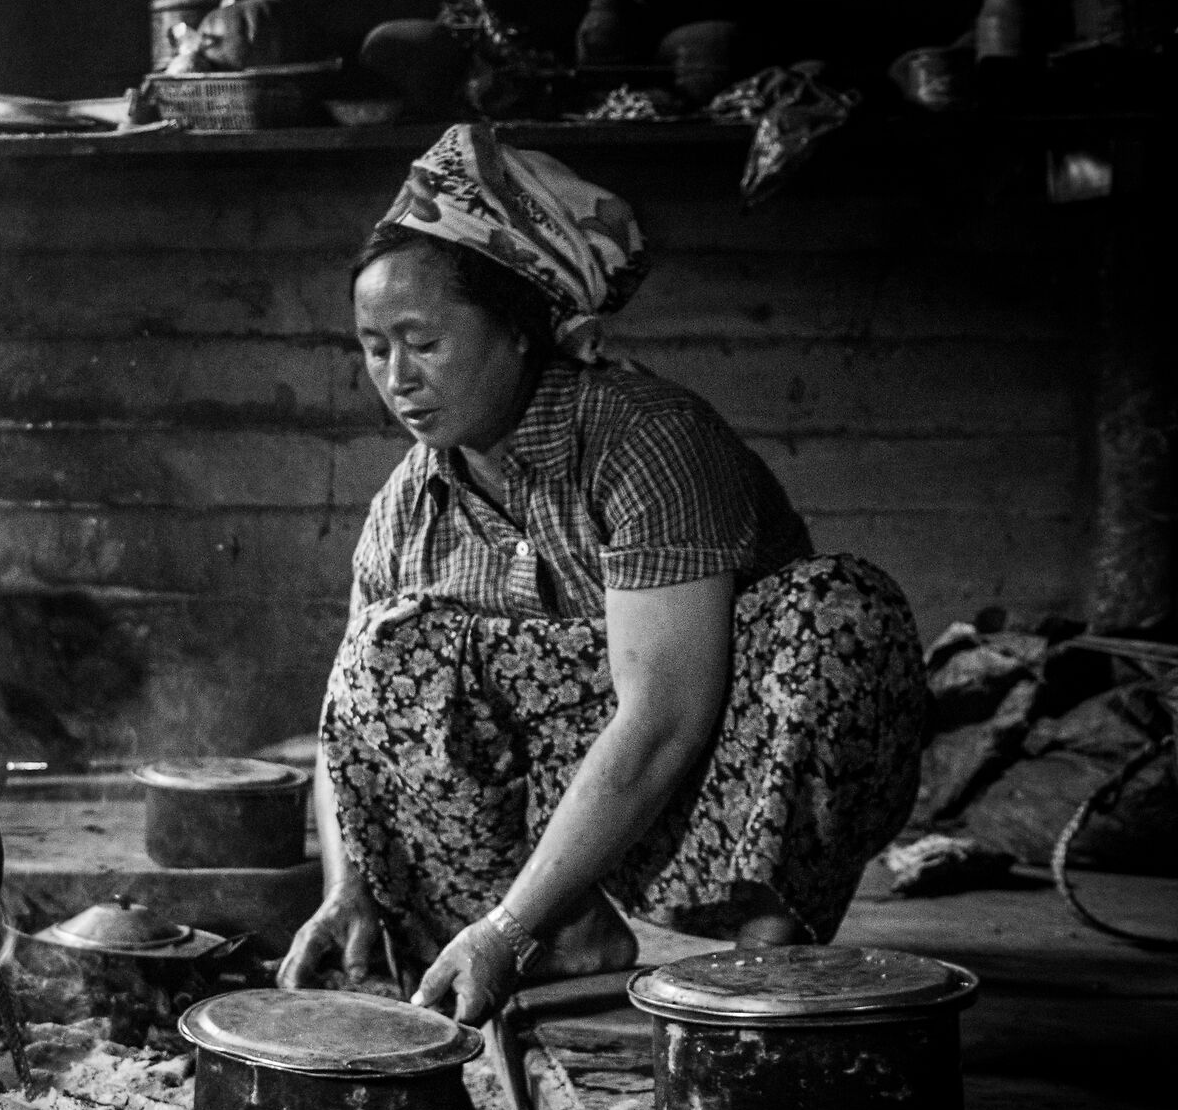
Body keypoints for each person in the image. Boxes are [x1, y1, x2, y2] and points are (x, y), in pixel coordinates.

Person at [278, 124, 925, 1026]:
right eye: (373, 346)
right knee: (385, 653)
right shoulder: (409, 502)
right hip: (567, 827)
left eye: (421, 341)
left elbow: (664, 718)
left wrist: (503, 928)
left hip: (703, 798)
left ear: (518, 331)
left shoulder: (644, 442)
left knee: (839, 614)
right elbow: (340, 718)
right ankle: (567, 926)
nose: (396, 377)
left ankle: (770, 945)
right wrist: (346, 892)